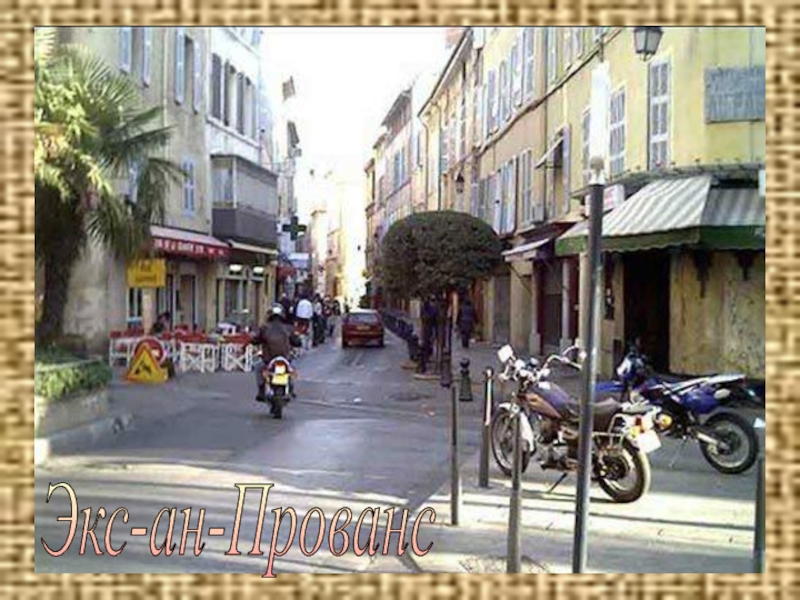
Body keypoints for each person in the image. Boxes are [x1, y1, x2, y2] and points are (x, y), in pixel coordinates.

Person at [251, 305, 294, 407]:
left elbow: (256, 340)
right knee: (291, 369)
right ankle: (291, 388)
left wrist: (254, 340)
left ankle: (261, 390)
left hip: (268, 359)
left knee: (258, 368)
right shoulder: (288, 328)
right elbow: (296, 341)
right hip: (285, 358)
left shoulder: (264, 328)